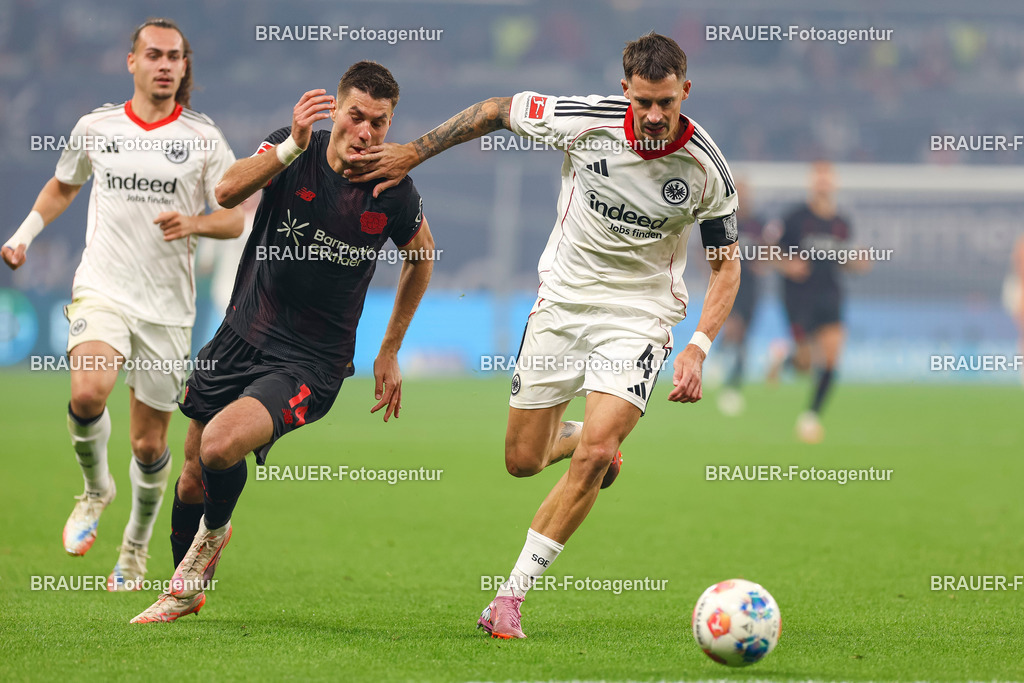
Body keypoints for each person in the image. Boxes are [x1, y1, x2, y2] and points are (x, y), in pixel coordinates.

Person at [347, 32, 740, 638]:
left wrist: (698, 345)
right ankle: (584, 437)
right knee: (522, 459)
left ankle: (509, 599)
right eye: (643, 102)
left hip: (639, 318)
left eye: (667, 101)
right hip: (559, 305)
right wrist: (412, 154)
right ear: (624, 91)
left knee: (595, 456)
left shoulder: (707, 169)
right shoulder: (585, 121)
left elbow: (726, 265)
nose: (656, 115)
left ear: (685, 91)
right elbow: (496, 110)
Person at [131, 60, 435, 623]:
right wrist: (290, 145)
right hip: (240, 333)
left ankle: (210, 542)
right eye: (356, 117)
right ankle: (185, 591)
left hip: (311, 362)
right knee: (194, 471)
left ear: (391, 124)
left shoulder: (393, 189)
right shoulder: (293, 149)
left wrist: (390, 348)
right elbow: (224, 193)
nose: (366, 133)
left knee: (220, 445)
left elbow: (422, 256)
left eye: (380, 122)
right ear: (336, 110)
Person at [2, 18, 243, 590]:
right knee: (86, 393)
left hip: (166, 309)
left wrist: (194, 222)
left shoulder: (204, 138)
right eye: (153, 54)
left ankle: (134, 548)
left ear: (184, 68)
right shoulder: (97, 127)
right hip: (103, 287)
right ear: (130, 61)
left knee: (148, 442)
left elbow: (233, 216)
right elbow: (64, 184)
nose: (164, 65)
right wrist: (24, 234)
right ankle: (94, 490)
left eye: (174, 57)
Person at [766, 161, 867, 443]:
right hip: (799, 296)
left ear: (834, 184)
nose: (823, 184)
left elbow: (844, 259)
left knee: (833, 358)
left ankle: (810, 417)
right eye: (818, 179)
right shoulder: (795, 217)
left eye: (828, 179)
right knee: (805, 363)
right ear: (812, 183)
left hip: (830, 293)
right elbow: (768, 250)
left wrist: (856, 264)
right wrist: (788, 265)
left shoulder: (842, 223)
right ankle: (784, 357)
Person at [716, 179, 766, 416]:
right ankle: (716, 360)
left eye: (746, 193)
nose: (743, 197)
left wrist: (763, 262)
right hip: (728, 281)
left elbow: (769, 248)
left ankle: (734, 384)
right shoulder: (725, 219)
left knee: (743, 336)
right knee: (733, 328)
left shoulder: (759, 224)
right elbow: (706, 247)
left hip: (751, 286)